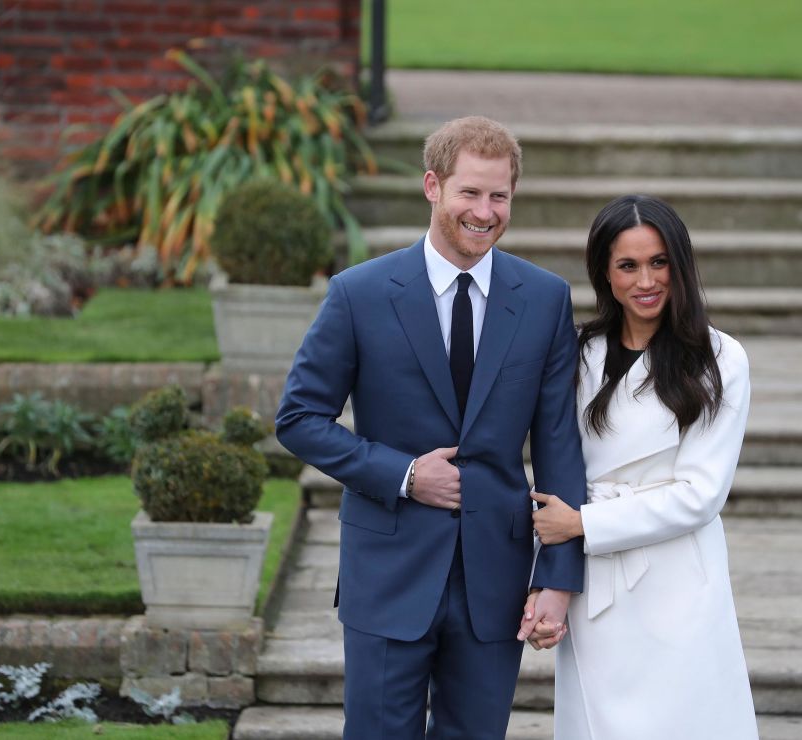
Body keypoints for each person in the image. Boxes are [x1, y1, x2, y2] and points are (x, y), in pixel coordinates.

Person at [275, 116, 587, 740]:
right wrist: (406, 474)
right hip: (387, 571)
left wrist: (557, 578)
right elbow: (300, 418)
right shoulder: (359, 294)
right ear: (432, 186)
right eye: (469, 192)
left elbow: (559, 448)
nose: (485, 210)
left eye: (499, 195)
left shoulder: (545, 298)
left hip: (494, 581)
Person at [526, 195, 759, 739]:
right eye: (627, 265)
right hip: (596, 584)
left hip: (676, 578)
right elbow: (560, 464)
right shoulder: (580, 353)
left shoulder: (719, 358)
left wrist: (586, 524)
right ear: (604, 273)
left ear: (681, 264)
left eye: (659, 262)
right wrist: (548, 579)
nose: (646, 280)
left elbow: (701, 495)